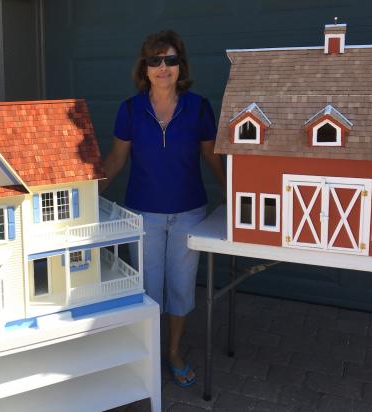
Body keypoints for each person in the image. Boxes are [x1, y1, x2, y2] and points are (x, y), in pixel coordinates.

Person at [102, 30, 225, 387]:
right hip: (144, 215)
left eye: (170, 59)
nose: (162, 67)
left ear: (180, 66)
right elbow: (116, 159)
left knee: (182, 289)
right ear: (145, 67)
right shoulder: (130, 110)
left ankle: (172, 352)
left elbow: (211, 157)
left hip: (189, 213)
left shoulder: (199, 108)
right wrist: (88, 192)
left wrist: (233, 193)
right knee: (147, 290)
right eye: (154, 60)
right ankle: (147, 354)